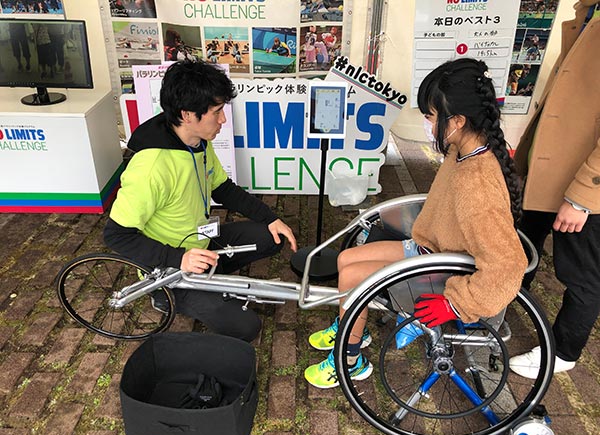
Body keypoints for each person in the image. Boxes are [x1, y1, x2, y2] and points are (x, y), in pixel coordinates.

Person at [304, 57, 527, 389]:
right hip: (428, 248)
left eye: (431, 116)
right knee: (345, 259)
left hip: (440, 269)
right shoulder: (464, 150)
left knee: (352, 277)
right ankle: (352, 326)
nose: (427, 122)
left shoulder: (476, 183)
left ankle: (350, 361)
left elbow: (508, 266)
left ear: (458, 121)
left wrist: (456, 304)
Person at [104, 60, 297, 342]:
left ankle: (211, 273)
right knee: (246, 327)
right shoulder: (152, 167)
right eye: (216, 112)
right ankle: (164, 296)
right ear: (187, 115)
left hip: (200, 242)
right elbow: (116, 235)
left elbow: (223, 189)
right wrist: (179, 258)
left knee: (272, 237)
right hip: (170, 269)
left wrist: (271, 218)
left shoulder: (197, 141)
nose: (223, 120)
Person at [509, 0, 600, 379]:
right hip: (550, 171)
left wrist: (582, 197)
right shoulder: (588, 12)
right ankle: (498, 306)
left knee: (581, 274)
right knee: (520, 246)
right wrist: (526, 162)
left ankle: (563, 352)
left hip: (582, 186)